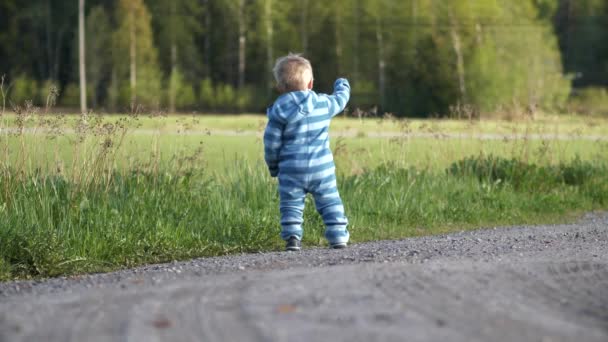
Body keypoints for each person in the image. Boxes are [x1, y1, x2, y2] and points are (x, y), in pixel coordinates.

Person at [263, 53, 351, 251]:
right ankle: (338, 237)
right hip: (322, 169)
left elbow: (271, 143)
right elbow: (341, 99)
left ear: (280, 87)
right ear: (310, 83)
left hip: (291, 170)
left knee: (291, 204)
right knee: (330, 201)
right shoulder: (322, 104)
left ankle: (292, 238)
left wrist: (273, 165)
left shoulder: (278, 111)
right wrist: (342, 84)